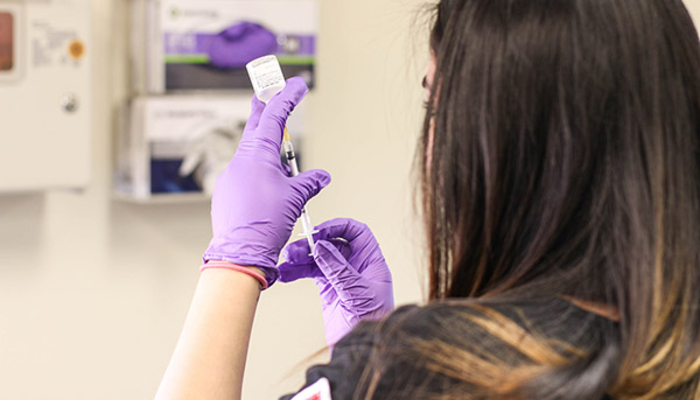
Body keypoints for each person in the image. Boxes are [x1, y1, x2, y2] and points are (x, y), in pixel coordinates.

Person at [154, 0, 700, 399]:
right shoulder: (676, 354)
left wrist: (232, 264)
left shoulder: (423, 371)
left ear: (497, 145)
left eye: (436, 106)